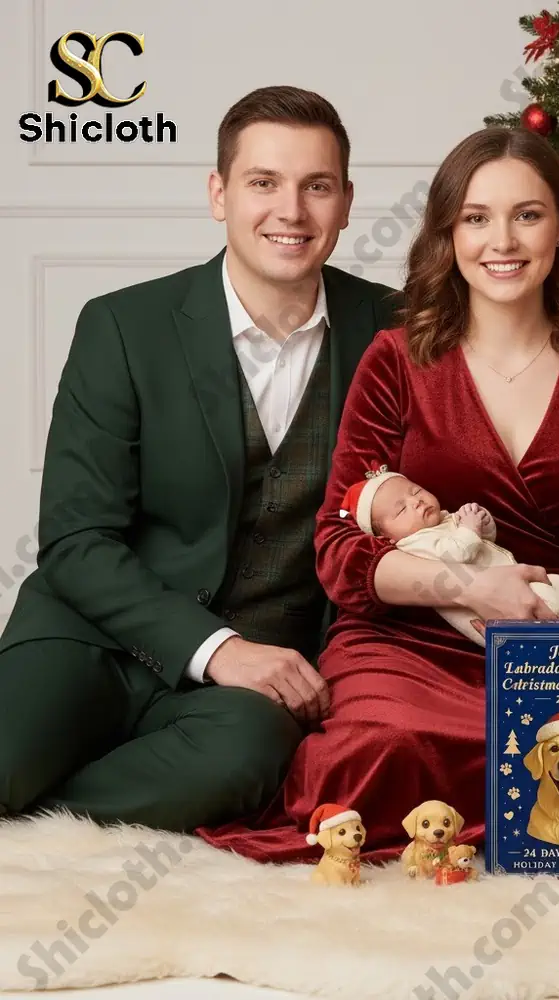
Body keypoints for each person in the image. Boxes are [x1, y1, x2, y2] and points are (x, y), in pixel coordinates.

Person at [198, 126, 559, 864]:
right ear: (448, 232)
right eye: (475, 218)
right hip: (408, 636)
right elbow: (340, 544)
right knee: (374, 755)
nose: (501, 241)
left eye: (527, 214)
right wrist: (471, 586)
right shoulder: (398, 358)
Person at [0, 86, 399, 832]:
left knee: (243, 759)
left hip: (255, 688)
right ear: (218, 194)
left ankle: (42, 820)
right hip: (93, 638)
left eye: (316, 186)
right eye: (263, 183)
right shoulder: (123, 325)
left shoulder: (394, 329)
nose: (291, 211)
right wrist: (215, 648)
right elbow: (77, 540)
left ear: (346, 202)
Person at [336, 465, 559, 645]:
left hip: (514, 581)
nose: (416, 501)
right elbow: (457, 555)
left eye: (416, 491)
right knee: (546, 601)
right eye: (401, 510)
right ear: (387, 537)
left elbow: (485, 544)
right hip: (492, 611)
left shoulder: (442, 521)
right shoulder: (414, 546)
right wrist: (469, 531)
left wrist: (482, 524)